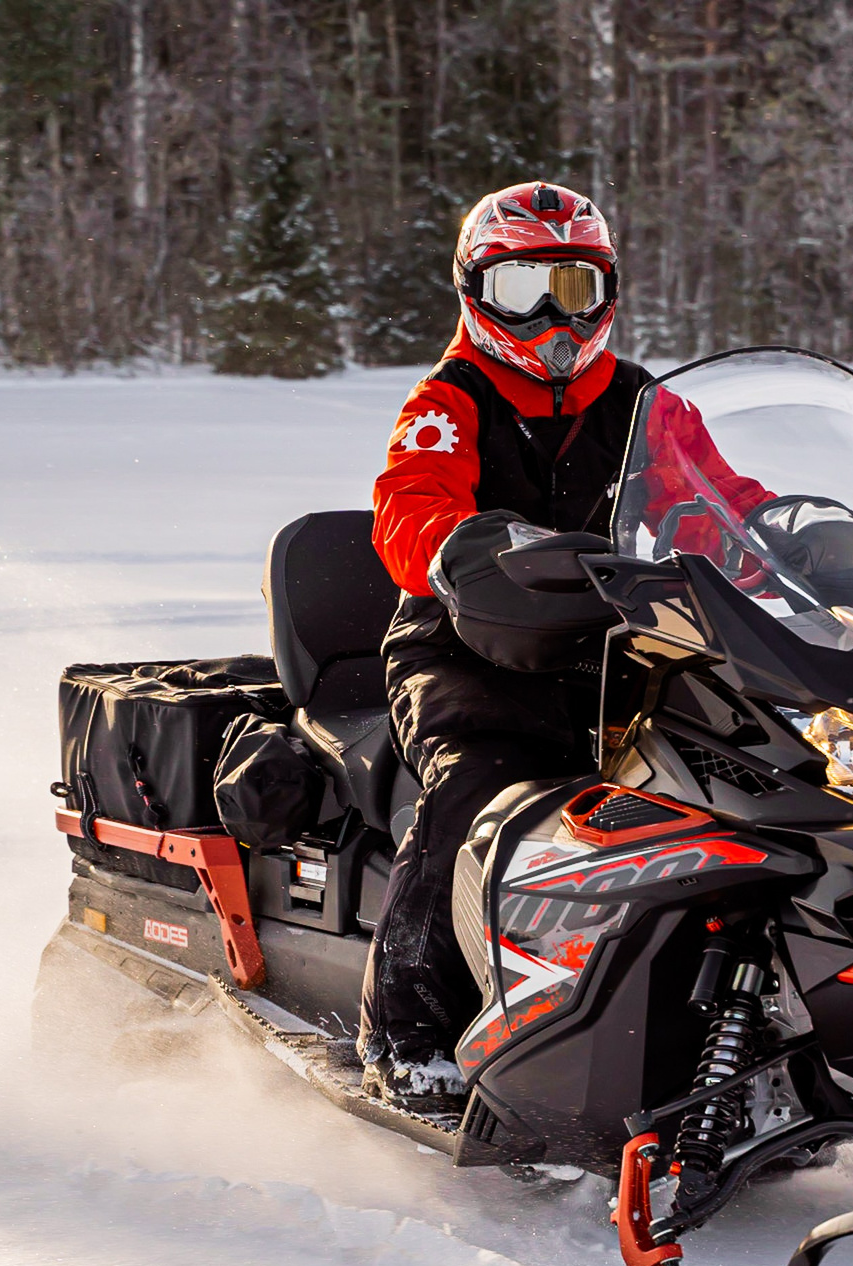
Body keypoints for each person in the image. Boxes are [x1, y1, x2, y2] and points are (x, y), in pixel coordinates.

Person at [358, 182, 684, 1109]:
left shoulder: (641, 401)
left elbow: (717, 494)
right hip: (463, 645)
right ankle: (406, 1031)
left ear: (607, 291)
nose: (549, 316)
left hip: (618, 649)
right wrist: (455, 546)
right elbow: (408, 504)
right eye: (520, 290)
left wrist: (797, 532)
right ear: (475, 291)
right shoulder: (448, 398)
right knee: (476, 786)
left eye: (572, 289)